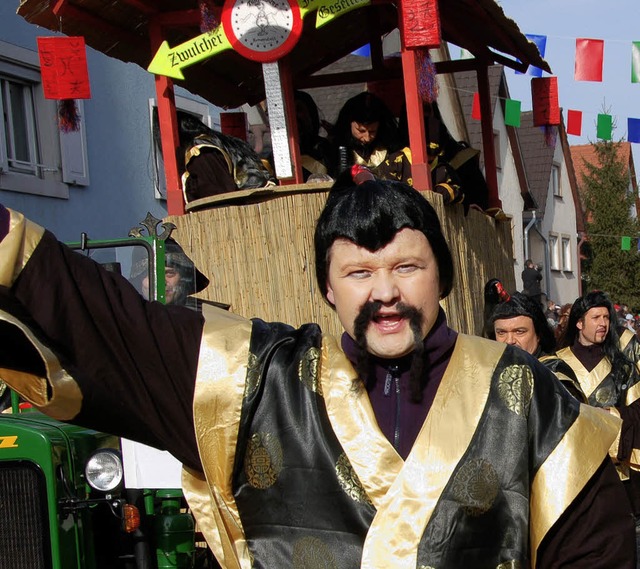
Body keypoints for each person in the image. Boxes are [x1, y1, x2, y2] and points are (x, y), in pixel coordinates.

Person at [0, 171, 635, 567]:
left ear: (440, 275)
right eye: (358, 272)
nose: (384, 291)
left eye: (406, 267)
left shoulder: (524, 394)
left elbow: (595, 549)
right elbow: (111, 324)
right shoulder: (261, 384)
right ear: (328, 289)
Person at [557, 290, 640, 529]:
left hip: (617, 473)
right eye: (596, 318)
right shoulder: (555, 363)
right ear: (579, 323)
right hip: (573, 472)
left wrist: (612, 417)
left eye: (606, 317)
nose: (603, 323)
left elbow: (637, 412)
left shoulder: (622, 366)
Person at [483, 280, 586, 401]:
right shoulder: (487, 374)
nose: (509, 340)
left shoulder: (554, 376)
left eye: (519, 331)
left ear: (538, 335)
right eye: (501, 332)